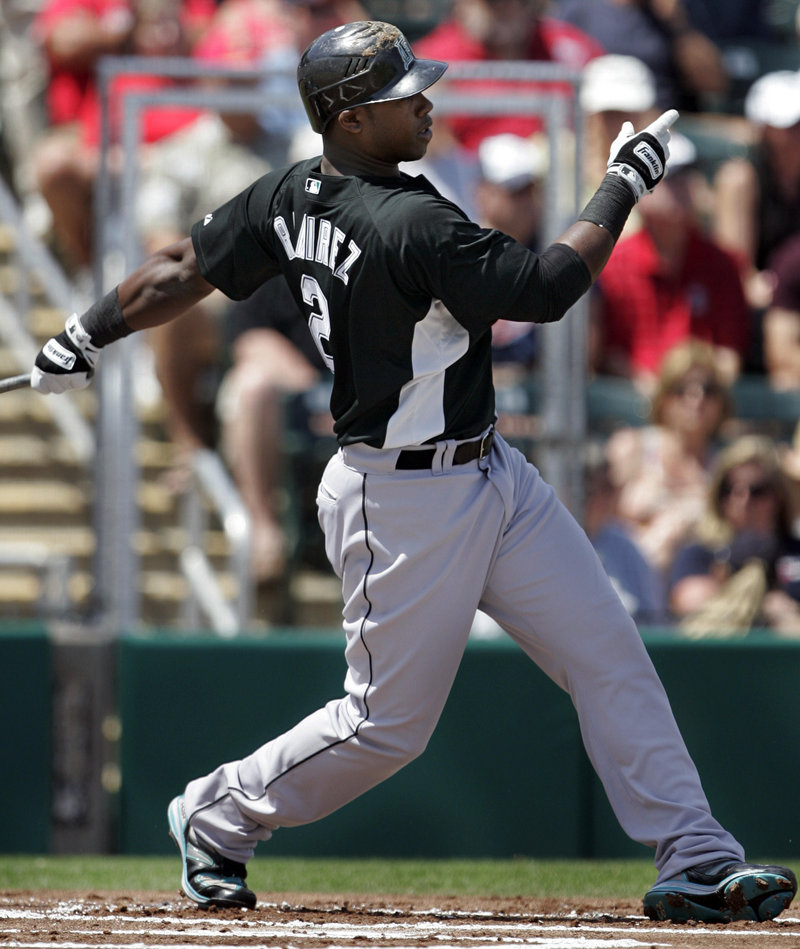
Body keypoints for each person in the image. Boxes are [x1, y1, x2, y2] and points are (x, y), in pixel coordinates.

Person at [29, 20, 796, 924]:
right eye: (402, 95)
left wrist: (86, 332)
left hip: (489, 471)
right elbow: (547, 287)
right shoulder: (410, 218)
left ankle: (696, 853)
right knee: (385, 726)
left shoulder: (292, 192)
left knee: (608, 654)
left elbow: (183, 266)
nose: (426, 102)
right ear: (350, 118)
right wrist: (623, 181)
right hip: (399, 496)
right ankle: (217, 811)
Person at [590, 132, 751, 395]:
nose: (682, 185)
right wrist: (657, 393)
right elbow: (607, 355)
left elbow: (728, 355)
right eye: (670, 176)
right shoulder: (611, 265)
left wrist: (696, 396)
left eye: (688, 174)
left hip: (703, 404)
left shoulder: (724, 265)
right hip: (627, 409)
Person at [604, 339, 733, 576]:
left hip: (695, 585)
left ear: (721, 404)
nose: (696, 398)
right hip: (626, 581)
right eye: (682, 388)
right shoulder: (632, 448)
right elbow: (600, 522)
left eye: (708, 389)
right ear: (664, 398)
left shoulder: (725, 467)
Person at [669, 434, 800, 637]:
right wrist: (764, 602)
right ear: (719, 497)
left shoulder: (795, 551)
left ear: (779, 496)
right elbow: (688, 601)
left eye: (757, 491)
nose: (743, 499)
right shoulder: (702, 551)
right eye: (730, 489)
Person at [712, 69, 800, 311]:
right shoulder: (739, 180)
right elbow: (738, 273)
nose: (798, 133)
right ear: (764, 130)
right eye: (791, 125)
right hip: (762, 306)